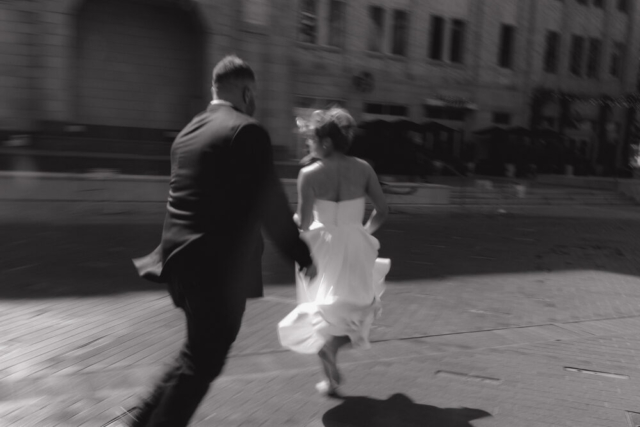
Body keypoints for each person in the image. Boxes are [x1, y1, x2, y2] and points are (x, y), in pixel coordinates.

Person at [107, 55, 316, 427]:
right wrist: (301, 254)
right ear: (247, 91)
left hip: (178, 263)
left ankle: (140, 421)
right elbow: (271, 205)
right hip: (217, 271)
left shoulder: (188, 131)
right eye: (255, 94)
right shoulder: (246, 130)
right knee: (203, 362)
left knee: (194, 353)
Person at [277, 108, 390, 396]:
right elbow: (382, 211)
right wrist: (364, 232)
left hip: (321, 247)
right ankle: (332, 369)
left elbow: (302, 221)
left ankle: (329, 375)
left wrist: (292, 223)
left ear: (326, 142)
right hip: (355, 243)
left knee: (321, 309)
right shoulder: (363, 168)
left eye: (311, 139)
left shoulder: (308, 174)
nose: (308, 144)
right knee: (358, 308)